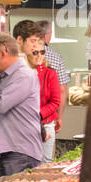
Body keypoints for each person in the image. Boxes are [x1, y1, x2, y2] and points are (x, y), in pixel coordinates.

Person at [0, 33, 44, 178]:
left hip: (19, 152)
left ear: (3, 53)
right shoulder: (8, 77)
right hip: (9, 151)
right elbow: (12, 111)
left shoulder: (23, 75)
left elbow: (0, 105)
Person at [24, 33, 63, 162]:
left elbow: (55, 101)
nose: (40, 56)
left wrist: (39, 114)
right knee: (27, 162)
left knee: (44, 162)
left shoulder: (50, 73)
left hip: (45, 123)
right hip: (25, 124)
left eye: (42, 52)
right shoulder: (22, 73)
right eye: (35, 53)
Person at [40, 21, 70, 158]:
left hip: (27, 120)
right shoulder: (56, 57)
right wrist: (59, 117)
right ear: (48, 35)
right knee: (44, 163)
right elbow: (62, 90)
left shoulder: (23, 57)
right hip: (47, 119)